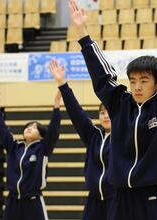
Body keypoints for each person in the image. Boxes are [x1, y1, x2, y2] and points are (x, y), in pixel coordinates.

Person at [68, 0, 157, 219]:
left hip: (153, 196)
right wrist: (83, 34)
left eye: (144, 80)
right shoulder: (120, 104)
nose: (137, 86)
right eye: (133, 81)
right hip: (121, 198)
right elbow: (101, 77)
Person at [48, 59, 114, 220]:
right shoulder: (93, 136)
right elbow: (76, 112)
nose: (105, 115)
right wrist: (62, 84)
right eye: (102, 112)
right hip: (93, 201)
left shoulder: (125, 136)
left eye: (109, 112)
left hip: (118, 200)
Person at [0, 86, 61, 220]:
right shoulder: (15, 147)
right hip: (12, 201)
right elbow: (2, 130)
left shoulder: (43, 148)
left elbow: (54, 130)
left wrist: (56, 105)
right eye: (27, 127)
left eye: (34, 127)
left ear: (42, 136)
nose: (29, 129)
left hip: (33, 202)